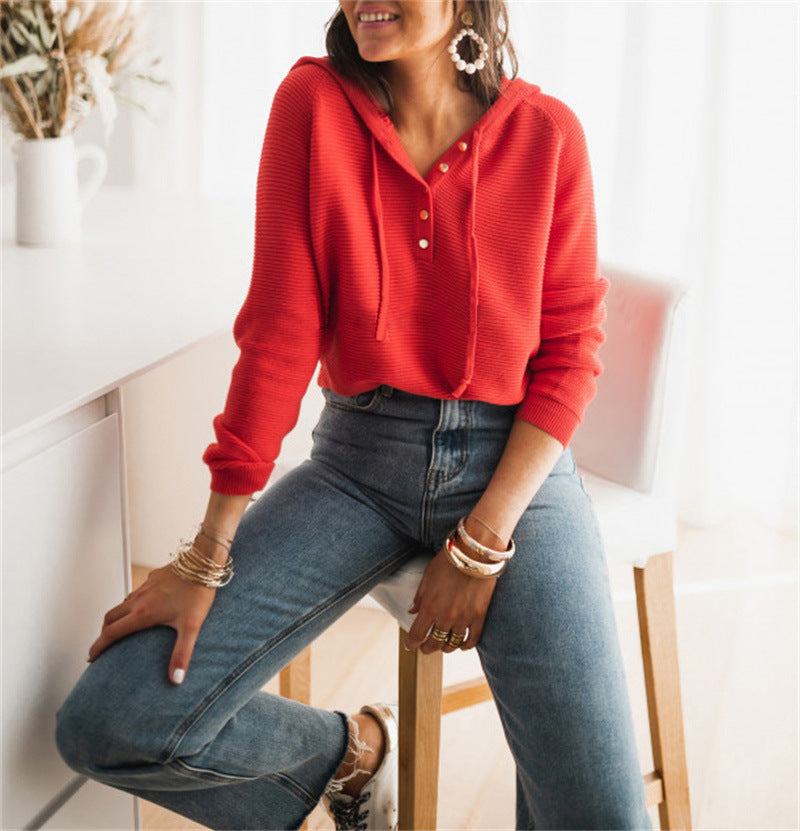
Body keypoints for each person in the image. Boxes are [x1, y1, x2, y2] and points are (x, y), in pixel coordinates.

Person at [54, 2, 653, 829]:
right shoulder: (314, 106)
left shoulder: (548, 135)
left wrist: (481, 545)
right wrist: (205, 554)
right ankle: (355, 754)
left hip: (515, 470)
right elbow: (279, 333)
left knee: (604, 817)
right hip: (357, 465)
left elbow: (569, 356)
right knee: (107, 720)